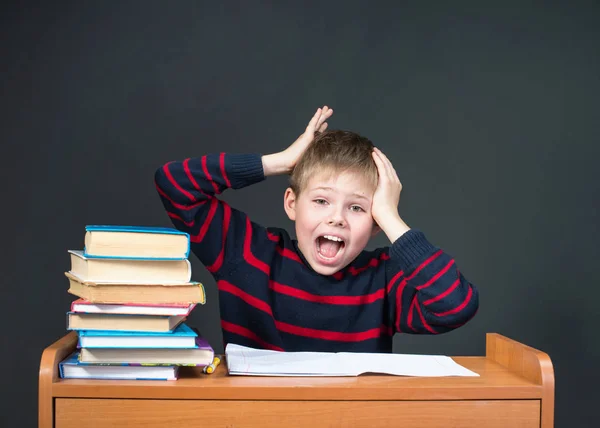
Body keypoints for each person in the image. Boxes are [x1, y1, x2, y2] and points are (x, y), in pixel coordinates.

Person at [154, 106, 478, 352]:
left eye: (357, 207)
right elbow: (175, 184)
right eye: (322, 201)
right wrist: (279, 162)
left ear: (376, 222)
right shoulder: (247, 253)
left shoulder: (384, 281)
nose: (337, 218)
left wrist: (391, 218)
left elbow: (456, 306)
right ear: (292, 204)